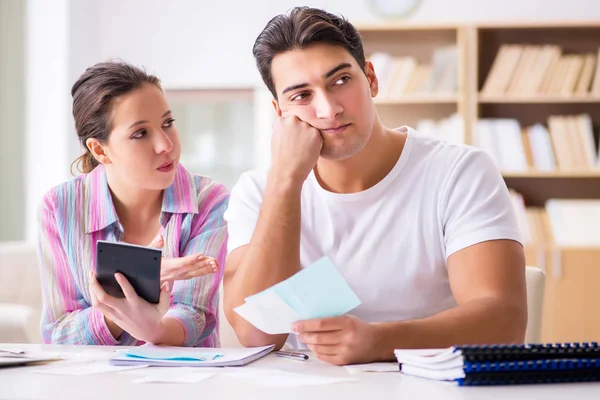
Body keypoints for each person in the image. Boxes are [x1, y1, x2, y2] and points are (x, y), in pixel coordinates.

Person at [222, 7, 527, 365]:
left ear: (371, 78)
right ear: (280, 112)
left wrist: (380, 340)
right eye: (302, 96)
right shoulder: (259, 190)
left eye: (340, 81)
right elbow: (256, 334)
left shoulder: (460, 172)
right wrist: (287, 180)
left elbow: (504, 321)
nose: (328, 109)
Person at [37, 61, 229, 347]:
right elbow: (58, 332)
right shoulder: (59, 207)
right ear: (100, 150)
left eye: (168, 123)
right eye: (140, 133)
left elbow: (197, 315)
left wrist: (156, 331)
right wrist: (136, 285)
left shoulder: (209, 200)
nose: (166, 145)